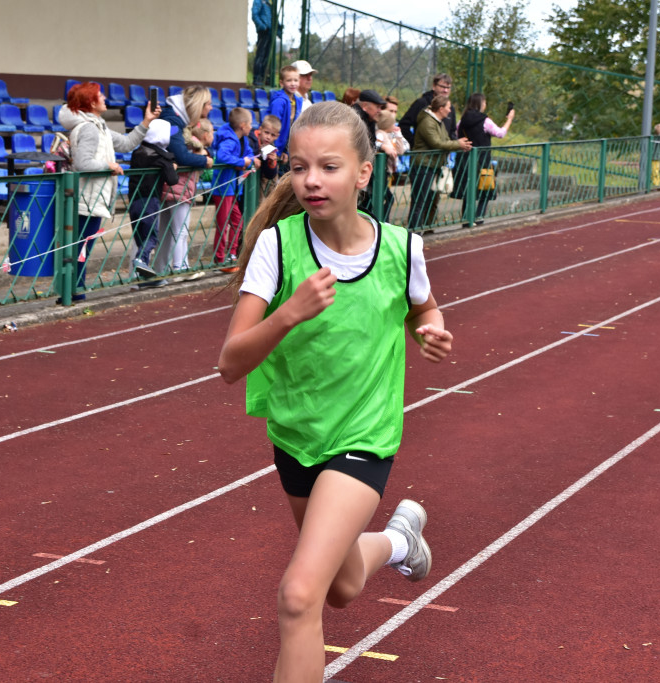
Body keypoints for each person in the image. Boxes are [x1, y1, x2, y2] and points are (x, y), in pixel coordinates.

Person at [217, 101, 453, 681]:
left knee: (300, 596)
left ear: (364, 173)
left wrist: (433, 332)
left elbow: (424, 309)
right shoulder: (277, 248)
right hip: (297, 436)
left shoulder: (403, 248)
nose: (311, 181)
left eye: (328, 166)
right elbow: (229, 363)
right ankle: (399, 543)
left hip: (364, 437)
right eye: (299, 168)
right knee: (343, 587)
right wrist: (286, 315)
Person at [57, 81, 158, 301]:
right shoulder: (90, 129)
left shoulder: (97, 125)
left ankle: (74, 291)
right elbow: (83, 164)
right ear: (91, 102)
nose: (104, 98)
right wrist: (108, 166)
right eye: (100, 95)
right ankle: (74, 293)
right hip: (86, 200)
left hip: (89, 198)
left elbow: (125, 143)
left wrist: (146, 121)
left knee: (80, 247)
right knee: (80, 248)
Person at [407, 95, 471, 231]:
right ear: (441, 109)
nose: (450, 111)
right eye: (448, 108)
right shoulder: (427, 122)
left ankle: (427, 227)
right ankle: (414, 232)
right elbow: (436, 143)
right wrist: (457, 144)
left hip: (433, 165)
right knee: (419, 200)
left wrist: (459, 145)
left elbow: (446, 140)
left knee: (430, 200)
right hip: (423, 166)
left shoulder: (438, 122)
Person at [128, 118, 178, 288]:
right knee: (150, 236)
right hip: (150, 200)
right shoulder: (161, 157)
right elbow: (172, 180)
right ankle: (141, 262)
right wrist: (172, 167)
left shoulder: (138, 152)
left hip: (134, 199)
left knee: (141, 236)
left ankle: (144, 277)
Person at [160, 117, 212, 274]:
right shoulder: (189, 146)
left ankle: (182, 264)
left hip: (180, 191)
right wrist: (201, 157)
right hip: (178, 191)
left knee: (180, 231)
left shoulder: (191, 146)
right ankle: (179, 266)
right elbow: (184, 163)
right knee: (179, 231)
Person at [454, 93, 513, 226]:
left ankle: (466, 219)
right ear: (480, 103)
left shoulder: (462, 121)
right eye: (484, 102)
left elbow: (457, 135)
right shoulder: (485, 121)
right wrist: (509, 119)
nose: (485, 105)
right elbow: (500, 133)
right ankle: (479, 216)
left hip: (466, 160)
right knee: (486, 188)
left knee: (469, 189)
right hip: (482, 160)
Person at [211, 107, 258, 270]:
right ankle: (220, 258)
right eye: (250, 124)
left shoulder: (243, 140)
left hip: (232, 189)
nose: (252, 127)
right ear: (243, 125)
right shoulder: (229, 140)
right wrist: (241, 162)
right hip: (222, 188)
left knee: (237, 221)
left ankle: (231, 254)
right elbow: (223, 156)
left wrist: (249, 161)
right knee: (223, 223)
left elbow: (250, 154)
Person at [349, 89, 383, 214]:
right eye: (377, 106)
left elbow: (372, 142)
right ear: (365, 106)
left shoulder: (370, 119)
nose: (379, 110)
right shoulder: (355, 118)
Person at [400, 73, 456, 147]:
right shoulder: (421, 103)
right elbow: (403, 125)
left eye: (448, 88)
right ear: (434, 86)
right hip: (423, 155)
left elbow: (452, 132)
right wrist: (414, 143)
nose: (445, 90)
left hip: (442, 155)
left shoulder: (450, 108)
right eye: (442, 87)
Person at [266, 65, 302, 163]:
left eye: (296, 80)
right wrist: (275, 151)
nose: (293, 84)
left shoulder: (298, 100)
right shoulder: (279, 101)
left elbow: (293, 127)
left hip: (286, 149)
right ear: (282, 83)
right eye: (289, 80)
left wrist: (286, 150)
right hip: (273, 149)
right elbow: (273, 127)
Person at [251, 114, 281, 199]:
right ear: (260, 129)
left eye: (272, 135)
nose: (268, 137)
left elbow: (270, 175)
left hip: (259, 185)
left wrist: (272, 163)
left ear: (277, 136)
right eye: (266, 132)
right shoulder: (251, 140)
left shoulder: (271, 148)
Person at [251, 0, 273, 87]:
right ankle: (257, 77)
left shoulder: (269, 3)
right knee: (261, 54)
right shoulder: (259, 1)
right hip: (264, 31)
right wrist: (262, 26)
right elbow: (255, 15)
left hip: (270, 32)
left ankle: (265, 77)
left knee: (268, 56)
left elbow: (272, 17)